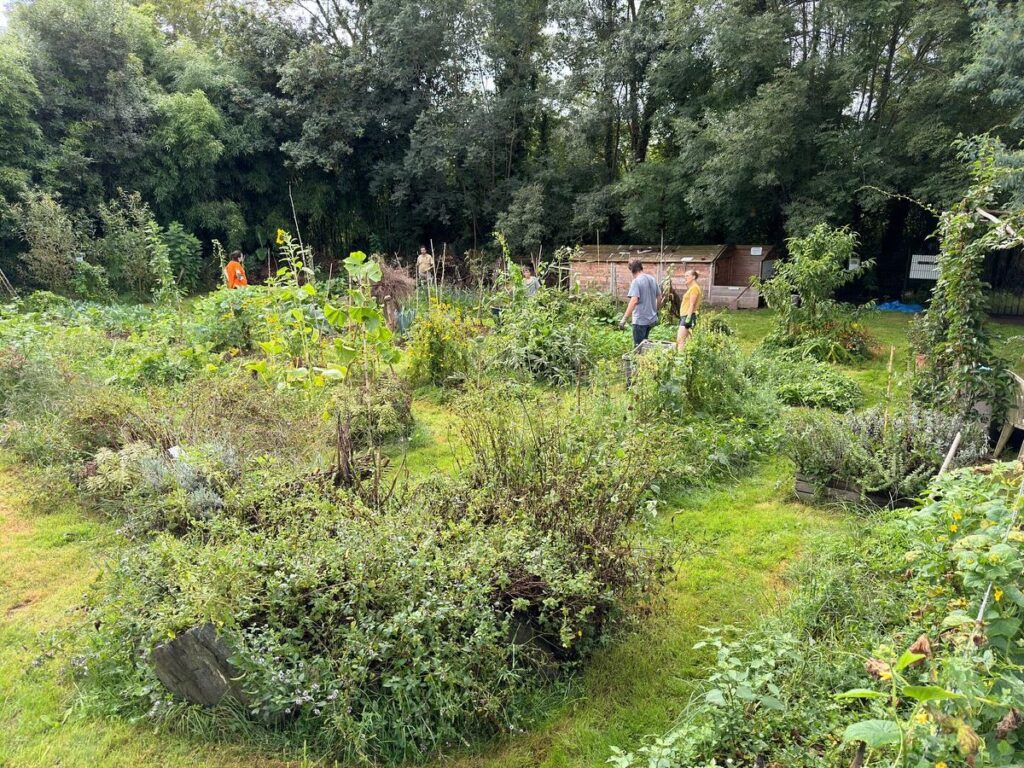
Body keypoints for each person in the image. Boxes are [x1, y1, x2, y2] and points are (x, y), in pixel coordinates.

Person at [619, 258, 661, 347]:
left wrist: (624, 319)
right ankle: (645, 360)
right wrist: (655, 311)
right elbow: (659, 297)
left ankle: (638, 360)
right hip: (651, 320)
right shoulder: (652, 279)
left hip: (640, 321)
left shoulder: (636, 281)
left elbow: (634, 301)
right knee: (645, 346)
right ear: (641, 267)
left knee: (638, 347)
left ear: (631, 270)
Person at [676, 268, 703, 350]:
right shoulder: (692, 288)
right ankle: (686, 359)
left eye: (687, 276)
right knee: (688, 341)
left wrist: (688, 318)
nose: (685, 277)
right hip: (686, 316)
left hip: (687, 316)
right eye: (684, 276)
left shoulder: (694, 288)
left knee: (680, 340)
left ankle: (680, 360)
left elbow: (692, 304)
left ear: (693, 277)